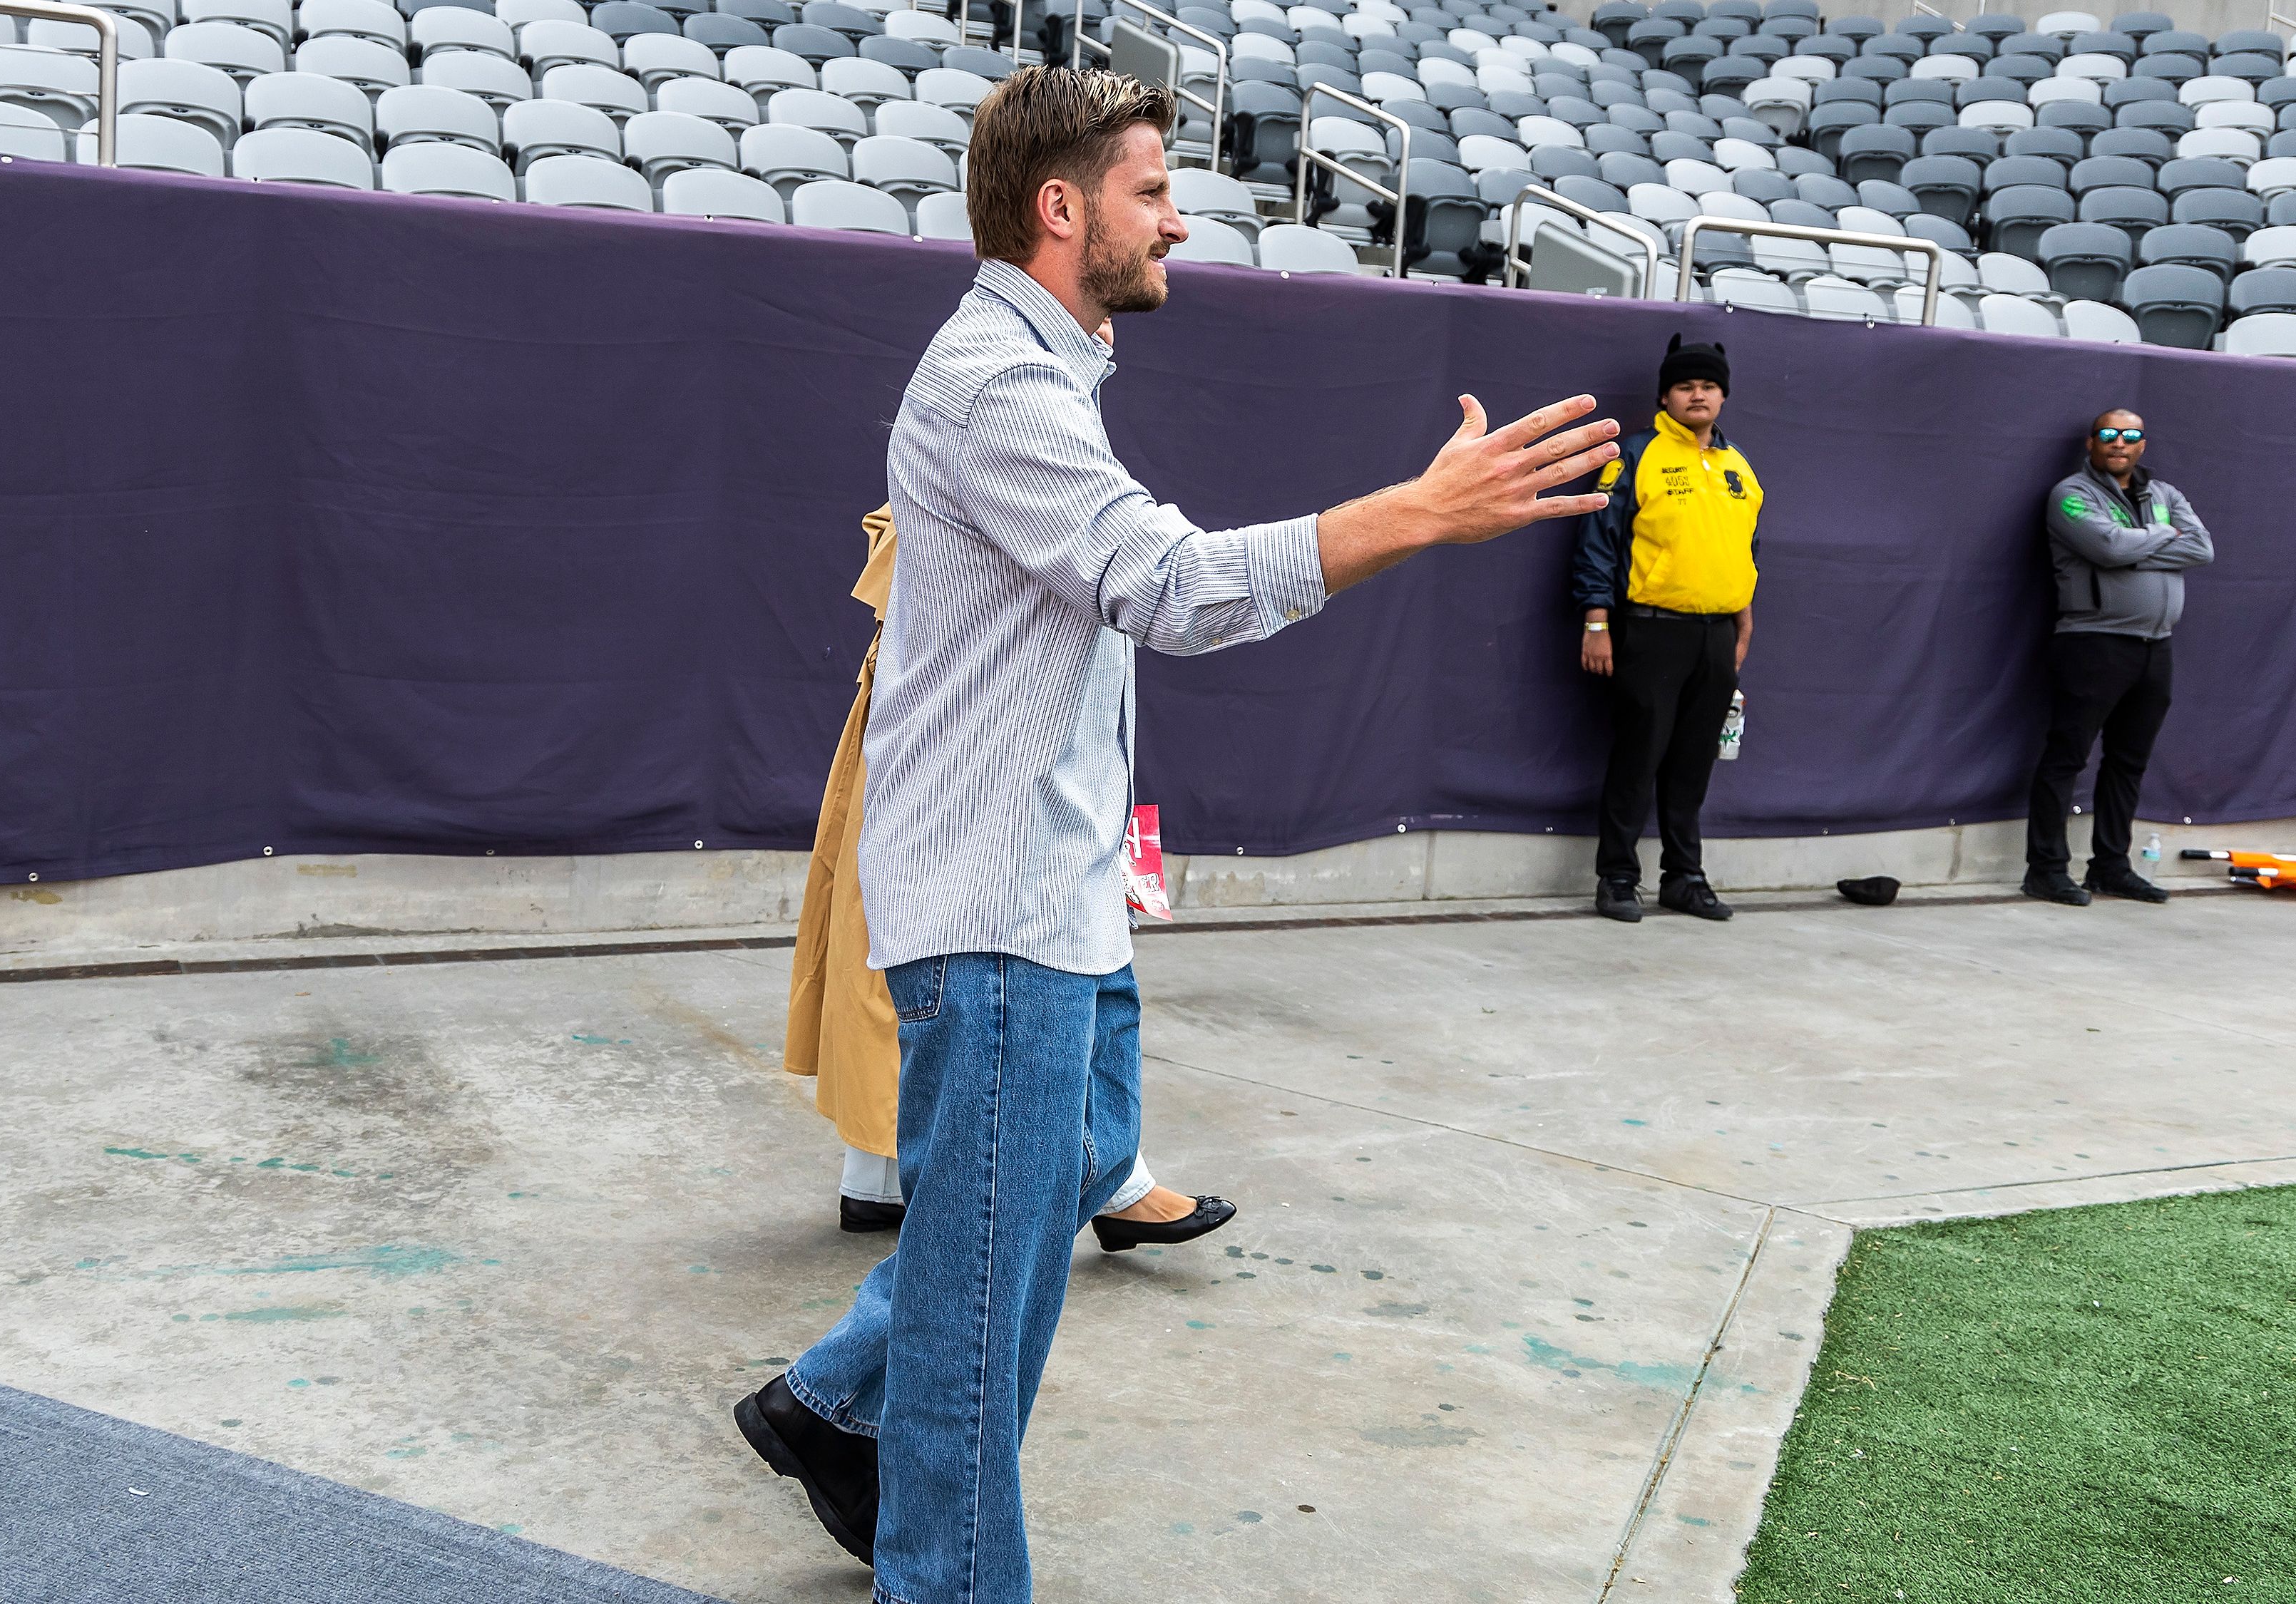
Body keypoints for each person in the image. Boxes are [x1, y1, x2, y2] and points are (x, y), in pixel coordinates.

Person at [730, 64, 1624, 1604]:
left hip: (1045, 901)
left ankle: (834, 1413)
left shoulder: (1044, 371)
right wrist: (1419, 513)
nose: (1178, 220)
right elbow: (1174, 587)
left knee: (1001, 1265)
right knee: (978, 1313)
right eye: (1150, 192)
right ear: (1059, 208)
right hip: (998, 915)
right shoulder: (998, 388)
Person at [785, 498, 1235, 1250]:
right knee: (1011, 963)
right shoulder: (1008, 471)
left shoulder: (974, 480)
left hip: (953, 748)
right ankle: (1107, 1180)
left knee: (915, 950)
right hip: (976, 762)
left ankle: (878, 1179)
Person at [1568, 335, 1761, 926]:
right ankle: (1617, 878)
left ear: (1723, 396)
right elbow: (1598, 541)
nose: (1698, 395)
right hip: (1652, 631)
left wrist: (1743, 618)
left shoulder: (1738, 466)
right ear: (1665, 397)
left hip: (1717, 636)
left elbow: (1746, 549)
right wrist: (1596, 620)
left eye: (1709, 386)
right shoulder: (1634, 456)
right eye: (1685, 386)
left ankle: (1684, 878)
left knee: (1695, 761)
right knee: (1639, 756)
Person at [2022, 408, 2214, 908]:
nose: (2120, 443)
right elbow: (2107, 548)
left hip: (2157, 647)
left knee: (2128, 763)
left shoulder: (2166, 495)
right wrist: (2162, 537)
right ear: (2092, 442)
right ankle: (2045, 870)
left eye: (2131, 435)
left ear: (2142, 445)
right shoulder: (2072, 495)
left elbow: (2202, 549)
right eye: (2109, 434)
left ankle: (2110, 867)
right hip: (2093, 643)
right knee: (2067, 757)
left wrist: (2136, 547)